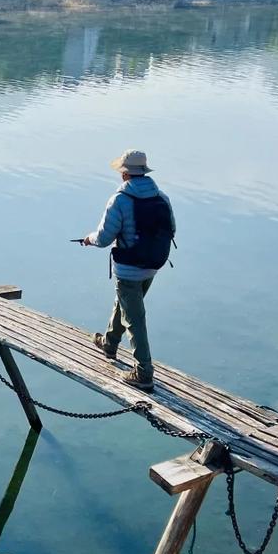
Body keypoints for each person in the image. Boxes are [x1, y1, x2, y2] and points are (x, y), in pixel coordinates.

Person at [79, 149, 175, 392]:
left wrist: (88, 239)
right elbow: (171, 229)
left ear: (124, 174)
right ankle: (109, 343)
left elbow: (103, 238)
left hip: (129, 268)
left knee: (134, 318)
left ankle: (143, 372)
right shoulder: (162, 197)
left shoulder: (120, 200)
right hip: (153, 265)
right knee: (125, 304)